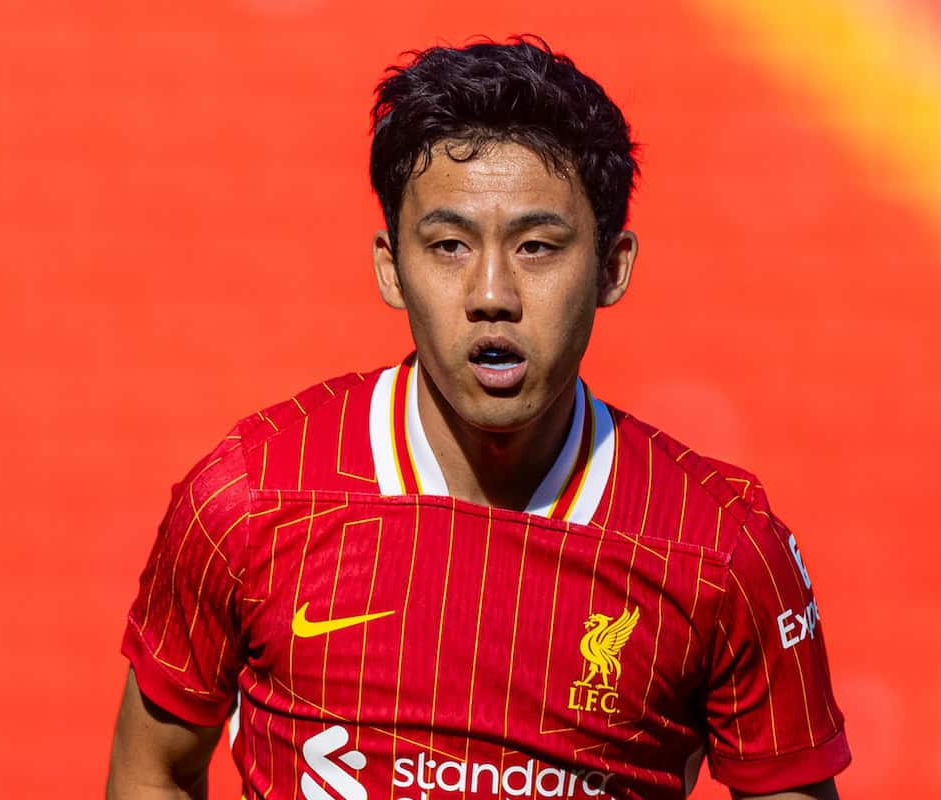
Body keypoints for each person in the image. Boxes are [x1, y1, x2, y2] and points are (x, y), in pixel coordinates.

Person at [107, 37, 851, 800]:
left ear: (612, 267)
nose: (491, 291)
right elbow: (153, 770)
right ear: (392, 267)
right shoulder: (251, 497)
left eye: (536, 246)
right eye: (450, 245)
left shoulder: (722, 549)